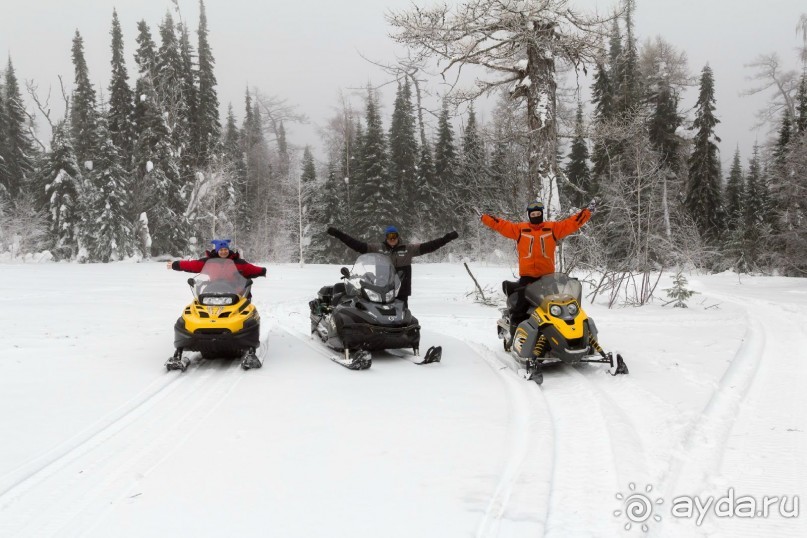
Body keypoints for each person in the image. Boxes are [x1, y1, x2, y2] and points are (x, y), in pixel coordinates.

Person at [481, 199, 595, 331]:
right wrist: (484, 218)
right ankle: (515, 327)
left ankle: (561, 331)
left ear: (541, 214)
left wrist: (587, 212)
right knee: (521, 305)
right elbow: (500, 225)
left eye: (538, 214)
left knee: (558, 305)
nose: (536, 216)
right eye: (533, 214)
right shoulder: (520, 230)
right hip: (527, 277)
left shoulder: (552, 228)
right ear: (529, 216)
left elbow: (572, 223)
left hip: (548, 277)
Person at [326, 225, 459, 308]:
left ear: (398, 237)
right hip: (382, 290)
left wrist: (447, 238)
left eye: (394, 236)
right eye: (389, 236)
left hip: (401, 289)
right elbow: (357, 245)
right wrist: (338, 234)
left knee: (401, 314)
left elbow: (430, 246)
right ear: (386, 238)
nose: (392, 239)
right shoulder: (378, 248)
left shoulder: (408, 249)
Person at [166, 239, 267, 279]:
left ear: (228, 250)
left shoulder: (238, 263)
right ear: (217, 251)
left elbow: (250, 268)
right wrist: (176, 264)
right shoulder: (209, 262)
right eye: (221, 250)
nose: (224, 251)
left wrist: (262, 271)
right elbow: (193, 265)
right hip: (213, 292)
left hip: (235, 293)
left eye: (225, 249)